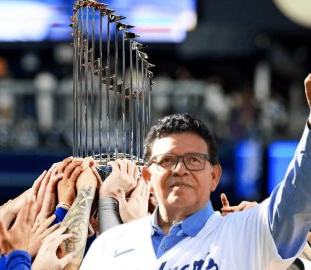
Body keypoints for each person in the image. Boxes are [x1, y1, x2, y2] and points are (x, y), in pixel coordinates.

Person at [80, 74, 311, 270]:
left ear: (214, 176)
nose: (181, 170)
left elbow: (297, 199)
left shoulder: (246, 230)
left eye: (194, 160)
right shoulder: (111, 244)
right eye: (167, 160)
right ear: (148, 177)